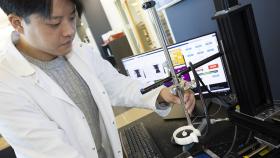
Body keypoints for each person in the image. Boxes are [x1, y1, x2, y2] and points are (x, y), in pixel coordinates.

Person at [0, 0, 195, 158]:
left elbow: (116, 84)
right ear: (17, 23)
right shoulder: (5, 84)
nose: (69, 31)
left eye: (71, 17)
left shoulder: (75, 49)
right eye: (55, 23)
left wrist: (161, 93)